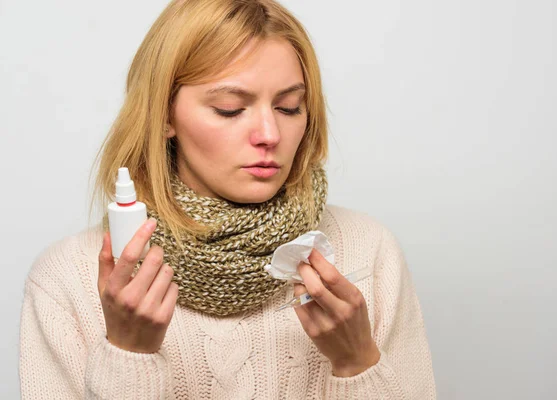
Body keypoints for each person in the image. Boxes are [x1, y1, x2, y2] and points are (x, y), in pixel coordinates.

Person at [19, 0, 436, 398]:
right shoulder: (66, 280)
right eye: (230, 109)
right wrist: (129, 356)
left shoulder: (368, 252)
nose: (270, 135)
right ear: (163, 116)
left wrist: (357, 363)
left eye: (289, 107)